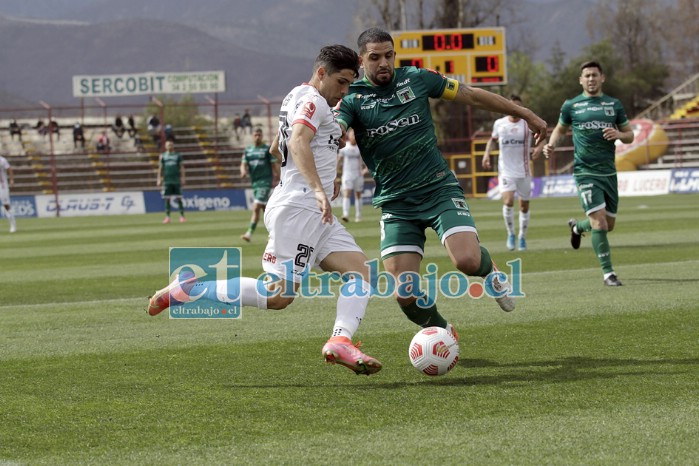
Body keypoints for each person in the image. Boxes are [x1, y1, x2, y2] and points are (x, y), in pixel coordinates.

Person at [148, 45, 382, 376]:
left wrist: (327, 149)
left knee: (359, 271)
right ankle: (188, 289)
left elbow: (277, 147)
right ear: (321, 73)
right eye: (341, 83)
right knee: (278, 296)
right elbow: (298, 141)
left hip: (309, 208)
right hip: (302, 207)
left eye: (348, 85)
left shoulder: (296, 96)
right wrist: (316, 185)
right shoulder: (314, 100)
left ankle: (340, 341)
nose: (343, 91)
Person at [335, 28, 547, 335]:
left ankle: (490, 270)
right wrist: (335, 139)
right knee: (405, 293)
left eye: (389, 55)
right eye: (375, 57)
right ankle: (444, 331)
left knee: (466, 261)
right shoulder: (353, 99)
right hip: (396, 203)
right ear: (361, 60)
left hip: (438, 189)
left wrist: (523, 111)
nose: (384, 63)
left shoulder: (418, 79)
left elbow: (471, 95)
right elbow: (336, 129)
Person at [543, 61, 633, 287]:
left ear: (602, 78)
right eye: (587, 76)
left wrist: (619, 134)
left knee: (607, 225)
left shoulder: (614, 104)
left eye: (594, 75)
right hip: (585, 172)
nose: (591, 79)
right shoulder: (572, 105)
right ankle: (608, 274)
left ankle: (577, 227)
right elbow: (560, 129)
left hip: (609, 173)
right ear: (580, 80)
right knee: (600, 224)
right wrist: (551, 145)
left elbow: (630, 135)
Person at [482, 94, 544, 251]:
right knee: (508, 201)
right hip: (505, 171)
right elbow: (492, 140)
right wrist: (486, 154)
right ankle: (511, 234)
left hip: (524, 170)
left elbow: (542, 136)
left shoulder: (527, 123)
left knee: (524, 206)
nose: (514, 109)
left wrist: (539, 147)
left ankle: (522, 237)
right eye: (511, 106)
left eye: (518, 106)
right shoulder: (499, 124)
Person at [240, 127, 279, 242]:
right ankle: (275, 232)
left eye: (259, 135)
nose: (257, 137)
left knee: (256, 206)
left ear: (262, 136)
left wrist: (280, 176)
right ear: (252, 136)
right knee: (264, 209)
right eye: (255, 135)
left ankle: (249, 233)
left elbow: (274, 165)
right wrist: (243, 171)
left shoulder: (267, 149)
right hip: (255, 182)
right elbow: (243, 164)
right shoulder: (248, 150)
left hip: (265, 181)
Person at [337, 127, 367, 223]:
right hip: (347, 175)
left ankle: (358, 215)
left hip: (358, 175)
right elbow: (339, 160)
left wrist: (365, 170)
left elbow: (366, 161)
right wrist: (336, 171)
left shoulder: (360, 148)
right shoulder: (345, 147)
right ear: (348, 136)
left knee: (358, 194)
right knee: (346, 194)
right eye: (352, 134)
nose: (353, 136)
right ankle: (345, 214)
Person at [157, 140, 186, 224]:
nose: (169, 146)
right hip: (167, 180)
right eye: (168, 145)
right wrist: (159, 178)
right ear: (166, 147)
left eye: (171, 145)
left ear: (173, 146)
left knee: (179, 198)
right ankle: (167, 217)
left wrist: (183, 178)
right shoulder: (163, 156)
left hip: (176, 180)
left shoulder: (178, 155)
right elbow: (160, 168)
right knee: (167, 199)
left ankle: (182, 216)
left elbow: (182, 167)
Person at [0, 154, 17, 233]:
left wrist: (11, 180)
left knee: (6, 205)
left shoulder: (2, 160)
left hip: (2, 186)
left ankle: (13, 225)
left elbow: (9, 169)